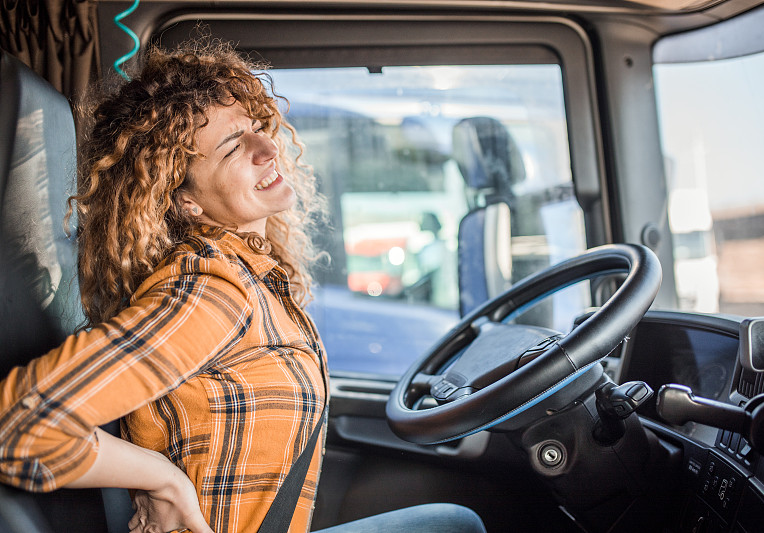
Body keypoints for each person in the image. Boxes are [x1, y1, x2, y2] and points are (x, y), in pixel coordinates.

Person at [0, 41, 486, 533]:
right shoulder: (212, 289)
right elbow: (19, 424)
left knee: (452, 522)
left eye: (256, 128)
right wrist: (163, 479)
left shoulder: (252, 270)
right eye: (234, 147)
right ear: (184, 200)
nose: (268, 147)